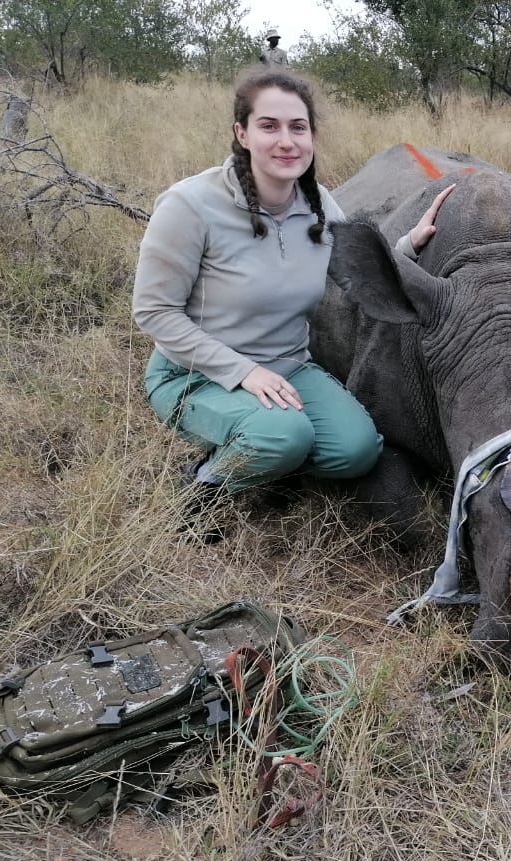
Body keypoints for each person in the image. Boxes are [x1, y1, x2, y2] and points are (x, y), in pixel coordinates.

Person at [132, 67, 452, 539]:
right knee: (286, 435)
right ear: (241, 133)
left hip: (288, 368)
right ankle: (205, 485)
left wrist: (406, 244)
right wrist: (243, 372)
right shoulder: (191, 204)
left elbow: (349, 272)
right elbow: (153, 312)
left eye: (297, 127)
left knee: (356, 450)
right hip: (195, 374)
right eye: (269, 126)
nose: (286, 141)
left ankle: (265, 459)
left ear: (312, 136)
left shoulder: (317, 203)